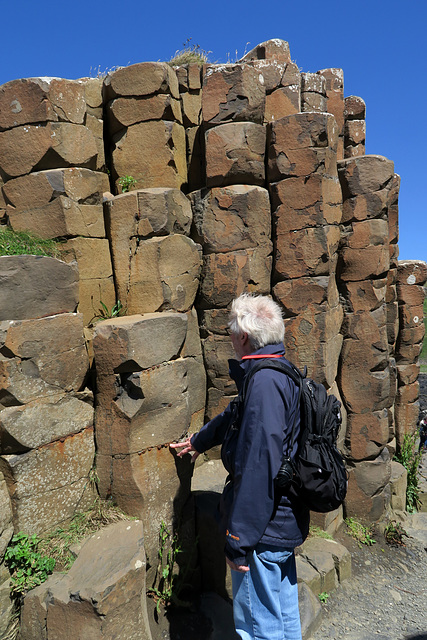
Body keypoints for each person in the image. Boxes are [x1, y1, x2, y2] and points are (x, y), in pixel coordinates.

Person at [171, 293, 309, 640]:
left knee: (258, 627)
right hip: (282, 519)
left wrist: (237, 539)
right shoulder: (277, 370)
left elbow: (260, 465)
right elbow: (236, 413)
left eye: (230, 332)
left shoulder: (263, 382)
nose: (228, 339)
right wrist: (200, 440)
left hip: (262, 530)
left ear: (243, 337)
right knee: (283, 615)